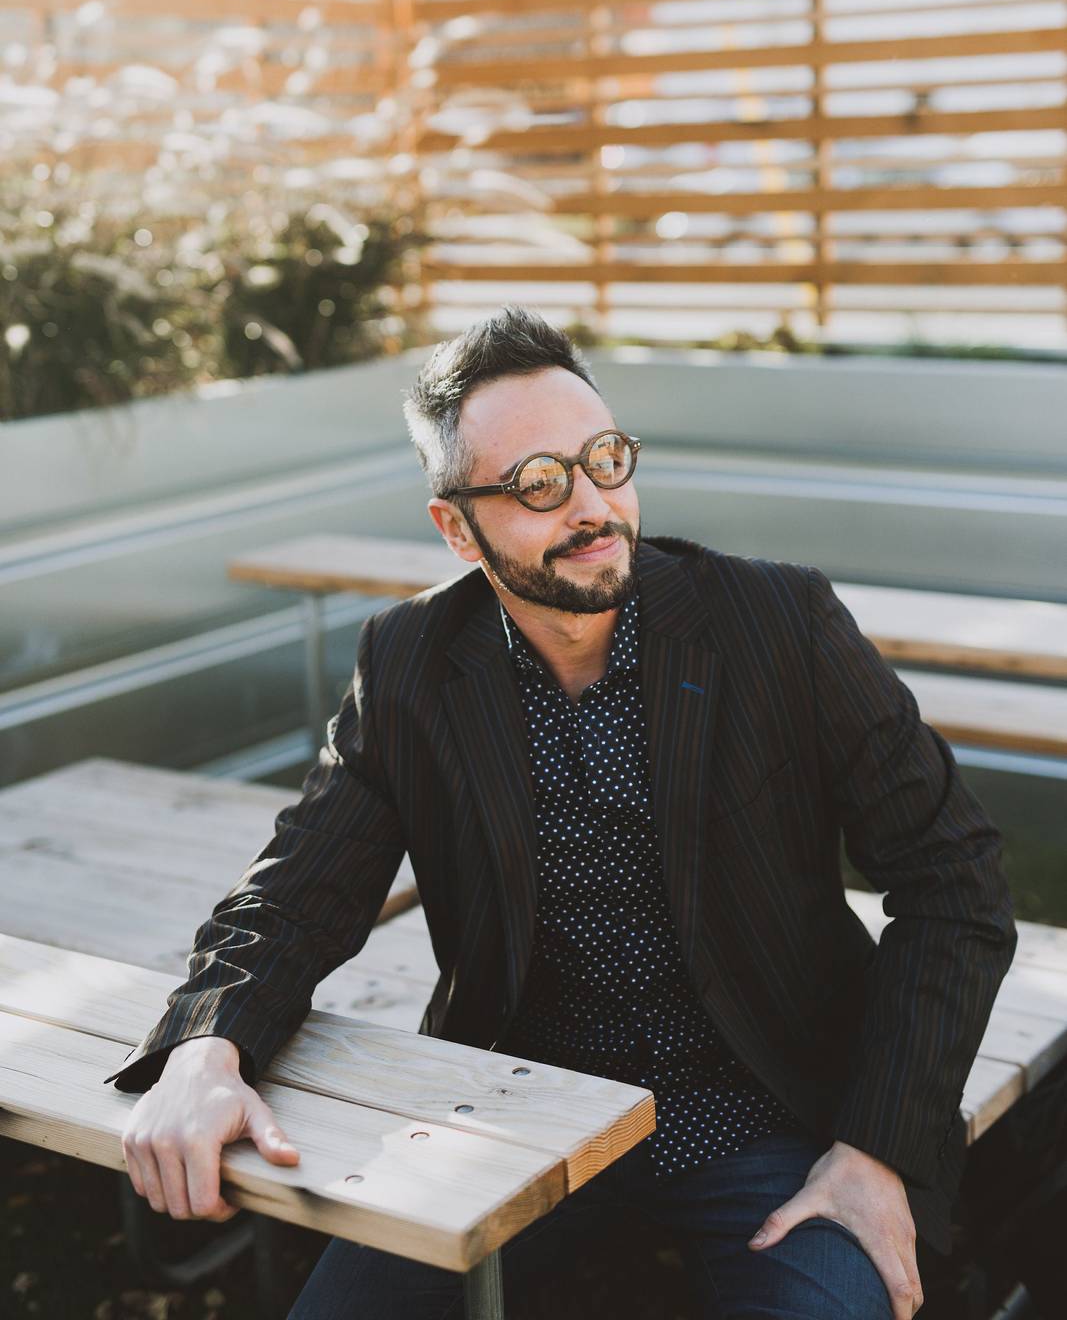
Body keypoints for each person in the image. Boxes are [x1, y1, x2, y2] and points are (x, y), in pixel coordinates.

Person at [107, 306, 1017, 1320]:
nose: (592, 504)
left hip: (772, 1109)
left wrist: (876, 1149)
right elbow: (295, 894)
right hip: (517, 1108)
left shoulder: (778, 623)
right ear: (456, 527)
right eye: (539, 483)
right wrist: (206, 1049)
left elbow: (953, 880)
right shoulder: (408, 663)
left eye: (605, 459)